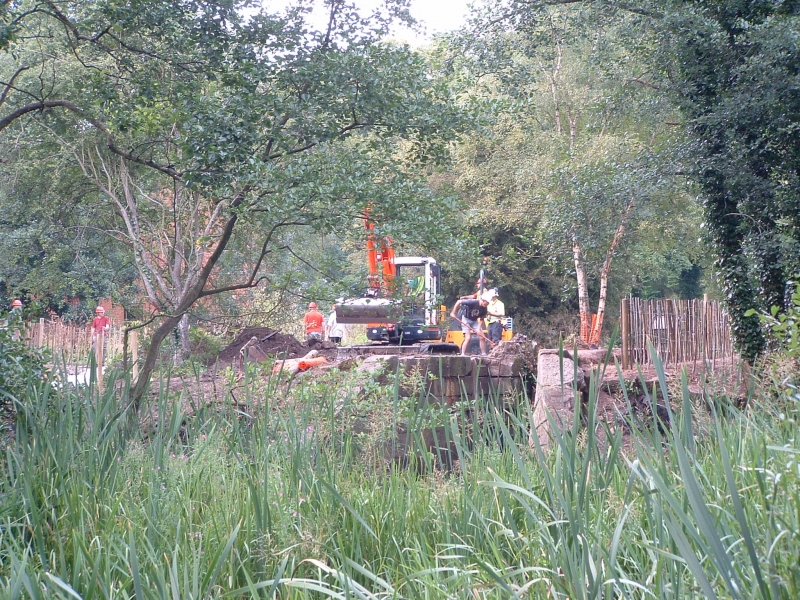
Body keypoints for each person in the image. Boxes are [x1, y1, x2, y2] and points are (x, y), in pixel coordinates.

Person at [450, 291, 492, 356]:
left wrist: (478, 329)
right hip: (466, 319)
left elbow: (481, 319)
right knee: (468, 338)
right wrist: (453, 312)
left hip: (474, 321)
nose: (486, 305)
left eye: (487, 304)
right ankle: (463, 354)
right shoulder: (473, 302)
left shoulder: (484, 309)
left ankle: (483, 353)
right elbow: (459, 302)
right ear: (483, 300)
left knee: (482, 336)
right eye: (486, 303)